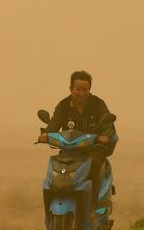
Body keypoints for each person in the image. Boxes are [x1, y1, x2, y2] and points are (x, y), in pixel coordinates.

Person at [38, 70, 118, 215]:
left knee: (94, 162)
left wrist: (105, 135)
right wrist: (45, 134)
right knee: (55, 163)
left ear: (89, 89)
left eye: (84, 89)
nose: (81, 93)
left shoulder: (98, 104)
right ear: (71, 89)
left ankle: (93, 205)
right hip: (69, 151)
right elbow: (54, 124)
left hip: (93, 150)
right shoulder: (63, 105)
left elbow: (108, 124)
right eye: (78, 89)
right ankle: (52, 205)